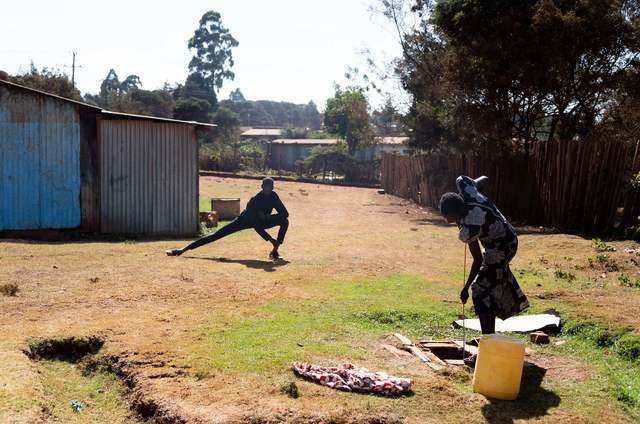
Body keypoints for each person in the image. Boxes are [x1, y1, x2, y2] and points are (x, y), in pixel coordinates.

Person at [439, 176, 529, 334]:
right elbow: (484, 179)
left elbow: (478, 259)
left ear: (456, 212)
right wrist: (477, 190)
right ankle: (489, 337)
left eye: (448, 217)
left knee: (480, 290)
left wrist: (467, 287)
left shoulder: (470, 226)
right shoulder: (467, 189)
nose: (446, 220)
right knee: (488, 286)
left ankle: (488, 340)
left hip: (503, 248)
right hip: (507, 237)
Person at [166, 177, 289, 259]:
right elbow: (256, 226)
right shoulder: (254, 200)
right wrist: (269, 238)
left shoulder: (274, 196)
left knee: (285, 221)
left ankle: (275, 252)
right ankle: (182, 249)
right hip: (244, 221)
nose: (268, 190)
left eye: (270, 188)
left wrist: (267, 216)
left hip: (263, 221)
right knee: (216, 235)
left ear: (273, 188)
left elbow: (285, 213)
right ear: (262, 187)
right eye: (266, 187)